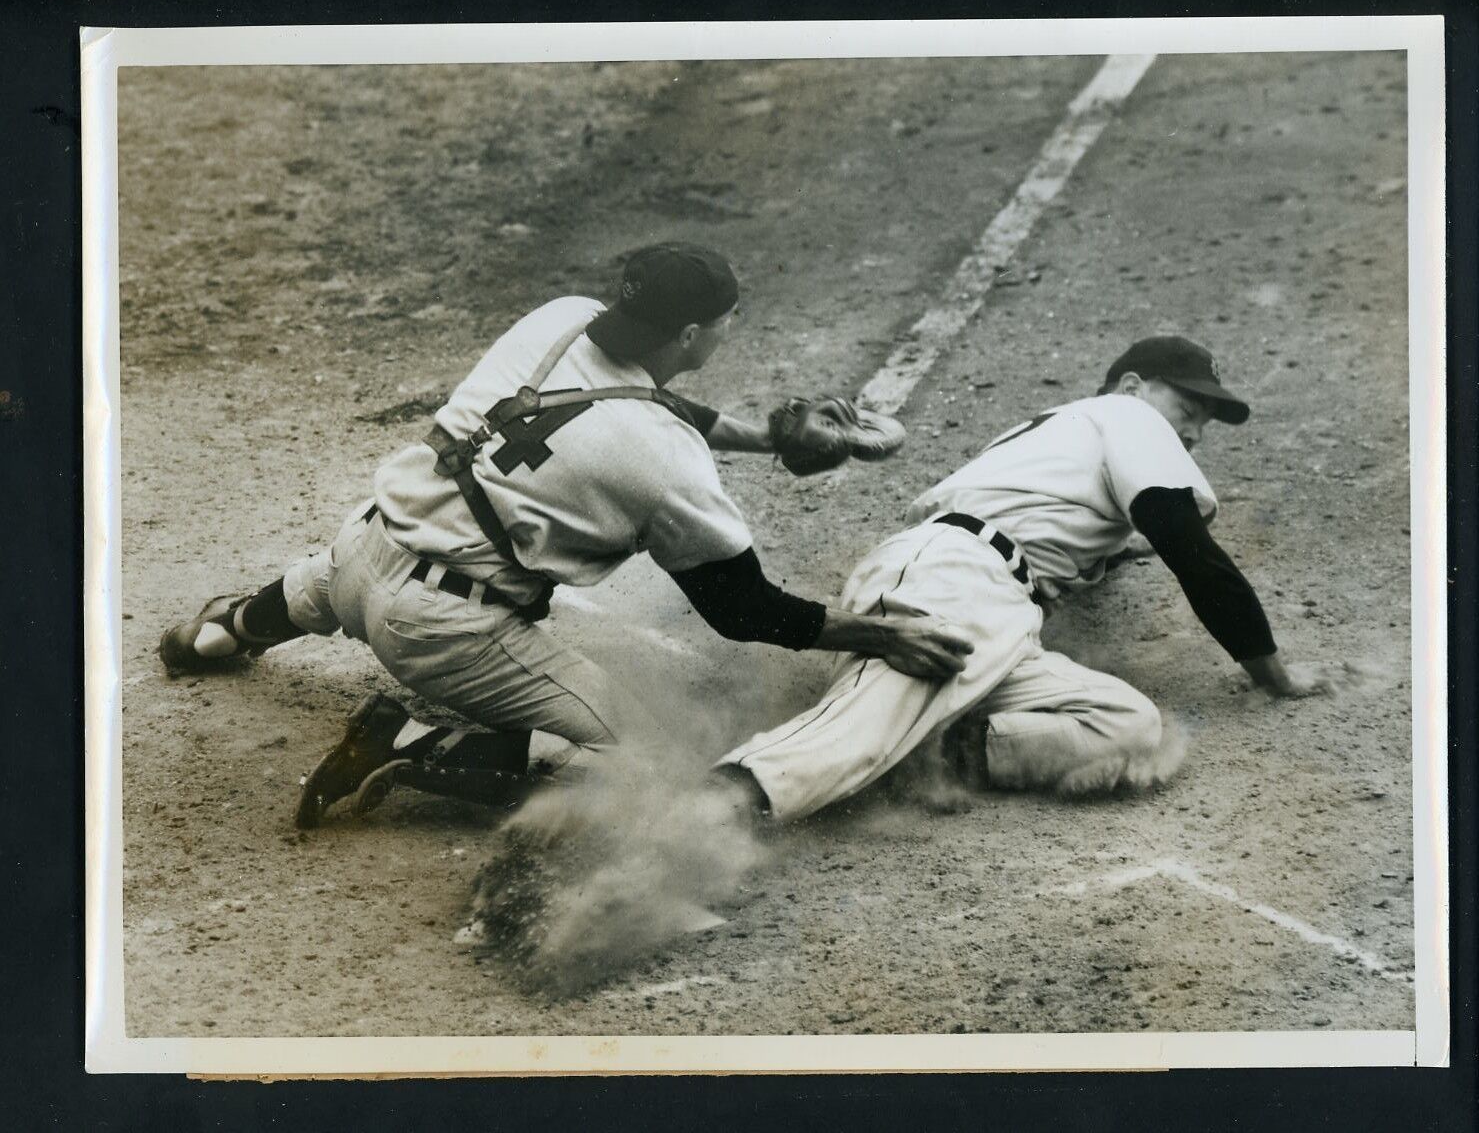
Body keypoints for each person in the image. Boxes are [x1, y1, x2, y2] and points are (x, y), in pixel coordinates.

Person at [159, 242, 972, 828]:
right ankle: (406, 741)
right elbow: (745, 611)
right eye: (724, 322)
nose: (728, 332)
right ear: (689, 336)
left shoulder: (562, 319)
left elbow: (639, 398)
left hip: (360, 551)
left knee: (349, 567)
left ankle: (225, 632)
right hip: (442, 631)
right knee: (648, 763)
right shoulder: (664, 465)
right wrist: (879, 634)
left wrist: (767, 437)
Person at [712, 335, 1336, 822]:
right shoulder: (1128, 416)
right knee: (857, 734)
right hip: (956, 579)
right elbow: (1190, 550)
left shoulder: (1065, 438)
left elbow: (1089, 531)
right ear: (1132, 385)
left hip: (994, 600)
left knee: (1128, 725)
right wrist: (1272, 672)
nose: (1194, 431)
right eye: (1188, 408)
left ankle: (938, 753)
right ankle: (709, 813)